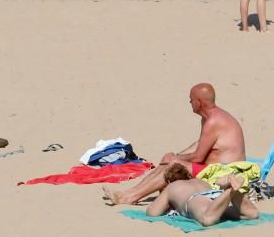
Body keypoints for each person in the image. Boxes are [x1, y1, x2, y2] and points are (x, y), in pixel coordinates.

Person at [102, 83, 246, 206]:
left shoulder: (213, 122)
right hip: (212, 169)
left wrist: (177, 159)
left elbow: (198, 157)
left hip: (224, 175)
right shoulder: (210, 118)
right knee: (171, 162)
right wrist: (175, 156)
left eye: (191, 100)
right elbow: (199, 145)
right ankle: (130, 193)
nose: (190, 102)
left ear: (199, 102)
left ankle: (130, 197)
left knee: (175, 165)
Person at [145, 164, 259, 227]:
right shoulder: (199, 181)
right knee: (251, 214)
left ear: (169, 181)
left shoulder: (171, 187)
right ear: (188, 176)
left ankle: (230, 191)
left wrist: (166, 200)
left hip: (196, 199)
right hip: (215, 195)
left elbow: (152, 212)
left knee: (207, 219)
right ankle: (231, 191)